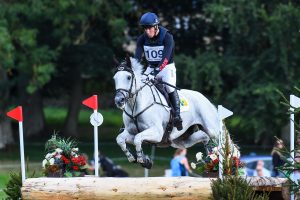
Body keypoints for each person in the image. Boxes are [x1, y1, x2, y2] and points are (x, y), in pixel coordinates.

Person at [134, 12, 182, 131]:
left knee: (170, 88)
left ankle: (177, 115)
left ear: (156, 26)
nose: (147, 31)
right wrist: (133, 67)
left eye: (149, 28)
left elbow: (165, 58)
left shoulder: (167, 37)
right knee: (139, 86)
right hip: (151, 67)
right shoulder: (142, 39)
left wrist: (155, 73)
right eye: (145, 28)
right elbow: (137, 58)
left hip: (167, 67)